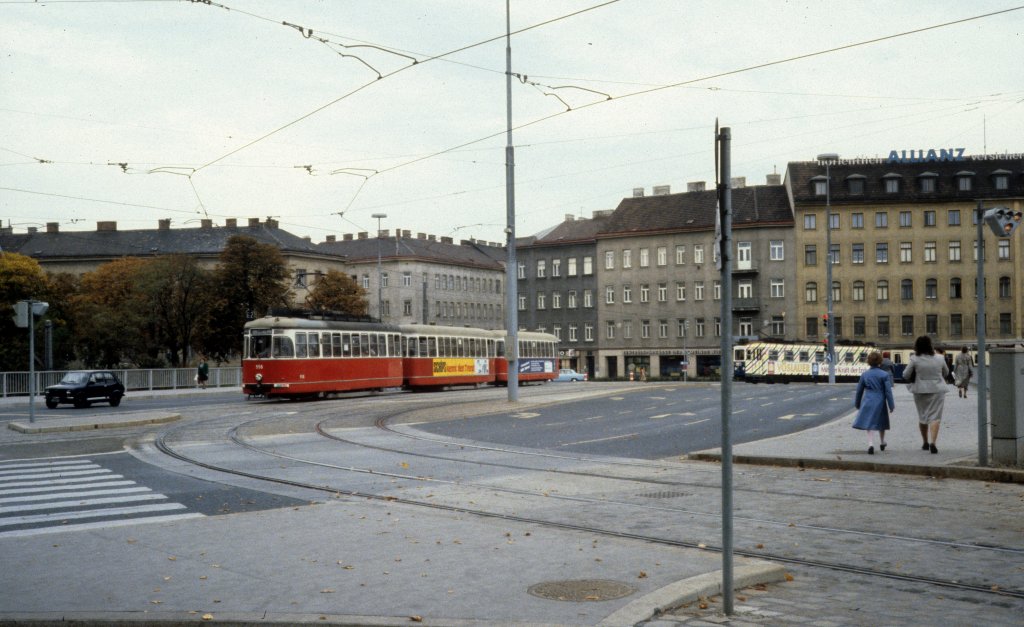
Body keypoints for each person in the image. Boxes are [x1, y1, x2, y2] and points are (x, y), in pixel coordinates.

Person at [902, 335, 950, 454]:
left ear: (917, 346)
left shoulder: (914, 359)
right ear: (930, 345)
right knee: (935, 417)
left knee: (923, 416)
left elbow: (905, 375)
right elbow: (947, 372)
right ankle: (933, 442)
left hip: (920, 390)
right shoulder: (940, 358)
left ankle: (925, 442)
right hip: (938, 390)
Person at [853, 352, 895, 455]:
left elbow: (859, 390)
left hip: (868, 399)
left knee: (869, 422)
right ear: (880, 361)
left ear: (869, 362)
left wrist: (857, 403)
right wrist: (891, 404)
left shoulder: (865, 374)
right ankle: (882, 442)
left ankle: (870, 444)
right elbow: (888, 391)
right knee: (882, 421)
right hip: (880, 399)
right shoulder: (884, 374)